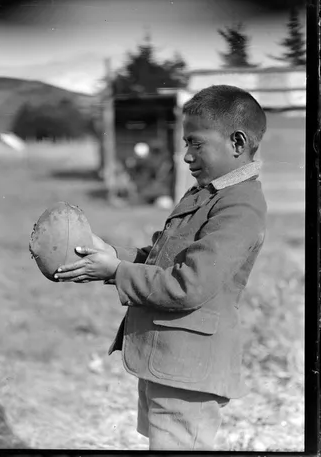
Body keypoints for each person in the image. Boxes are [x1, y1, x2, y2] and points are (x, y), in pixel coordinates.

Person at [54, 85, 268, 450]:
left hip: (190, 372)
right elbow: (162, 257)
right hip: (169, 362)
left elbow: (189, 285)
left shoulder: (240, 207)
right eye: (186, 143)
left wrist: (115, 270)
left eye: (196, 143)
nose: (186, 155)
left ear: (237, 142)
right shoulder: (206, 193)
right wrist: (112, 253)